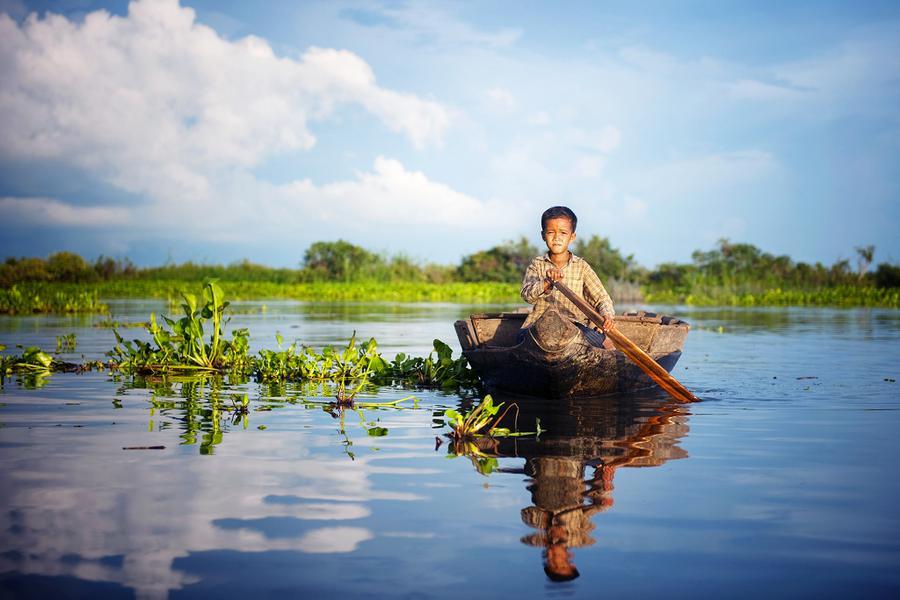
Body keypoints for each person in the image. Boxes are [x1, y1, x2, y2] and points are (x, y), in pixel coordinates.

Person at [519, 206, 615, 345]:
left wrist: (607, 316)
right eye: (551, 232)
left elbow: (601, 298)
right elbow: (527, 296)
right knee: (520, 338)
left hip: (574, 326)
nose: (557, 238)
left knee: (597, 340)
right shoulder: (537, 264)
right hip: (538, 324)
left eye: (563, 233)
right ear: (543, 235)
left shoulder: (581, 267)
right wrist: (546, 283)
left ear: (572, 237)